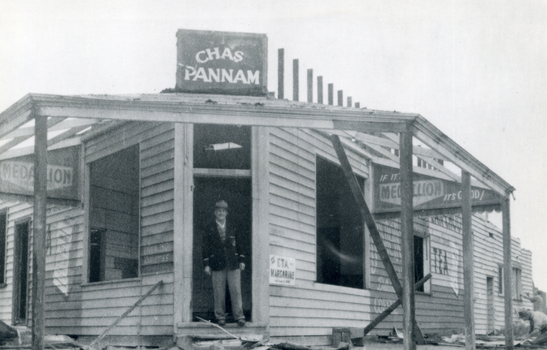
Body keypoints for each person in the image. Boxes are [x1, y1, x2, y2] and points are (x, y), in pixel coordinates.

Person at [202, 200, 246, 327]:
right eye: (218, 210)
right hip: (216, 263)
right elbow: (205, 247)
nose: (221, 213)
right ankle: (220, 316)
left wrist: (242, 260)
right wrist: (206, 264)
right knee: (219, 291)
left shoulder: (233, 226)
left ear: (226, 213)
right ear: (215, 213)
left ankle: (239, 316)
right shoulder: (209, 227)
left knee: (236, 290)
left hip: (233, 262)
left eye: (223, 210)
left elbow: (240, 244)